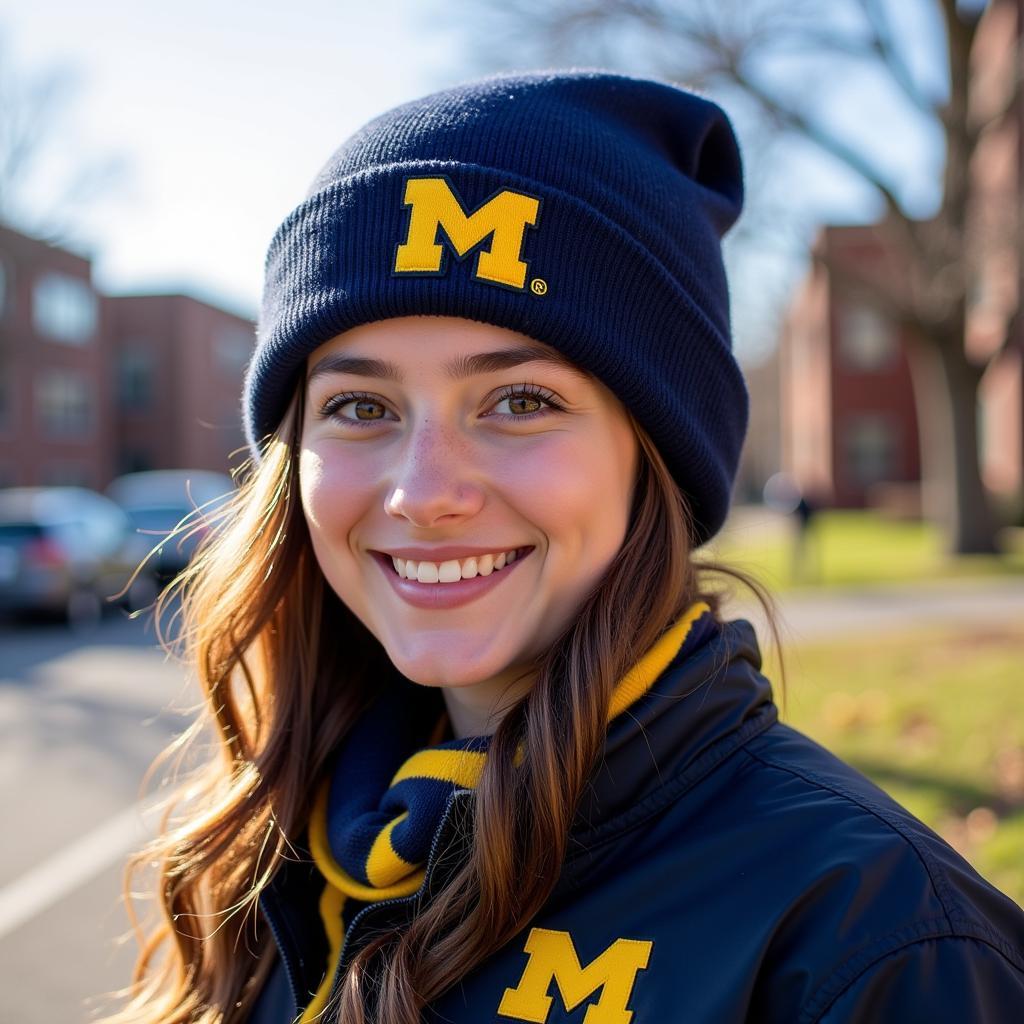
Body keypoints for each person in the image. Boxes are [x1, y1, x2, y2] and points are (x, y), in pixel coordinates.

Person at [100, 70, 1024, 1024]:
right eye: (360, 406)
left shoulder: (876, 944)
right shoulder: (270, 845)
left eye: (521, 401)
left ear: (652, 455)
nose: (424, 494)